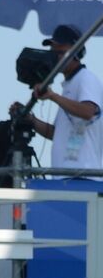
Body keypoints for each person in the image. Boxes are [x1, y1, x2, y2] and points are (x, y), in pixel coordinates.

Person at [12, 25, 103, 175]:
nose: (54, 56)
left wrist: (53, 96)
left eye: (59, 50)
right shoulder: (69, 85)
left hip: (84, 176)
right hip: (65, 175)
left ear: (76, 52)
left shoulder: (86, 78)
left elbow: (88, 111)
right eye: (52, 51)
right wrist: (32, 120)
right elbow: (55, 133)